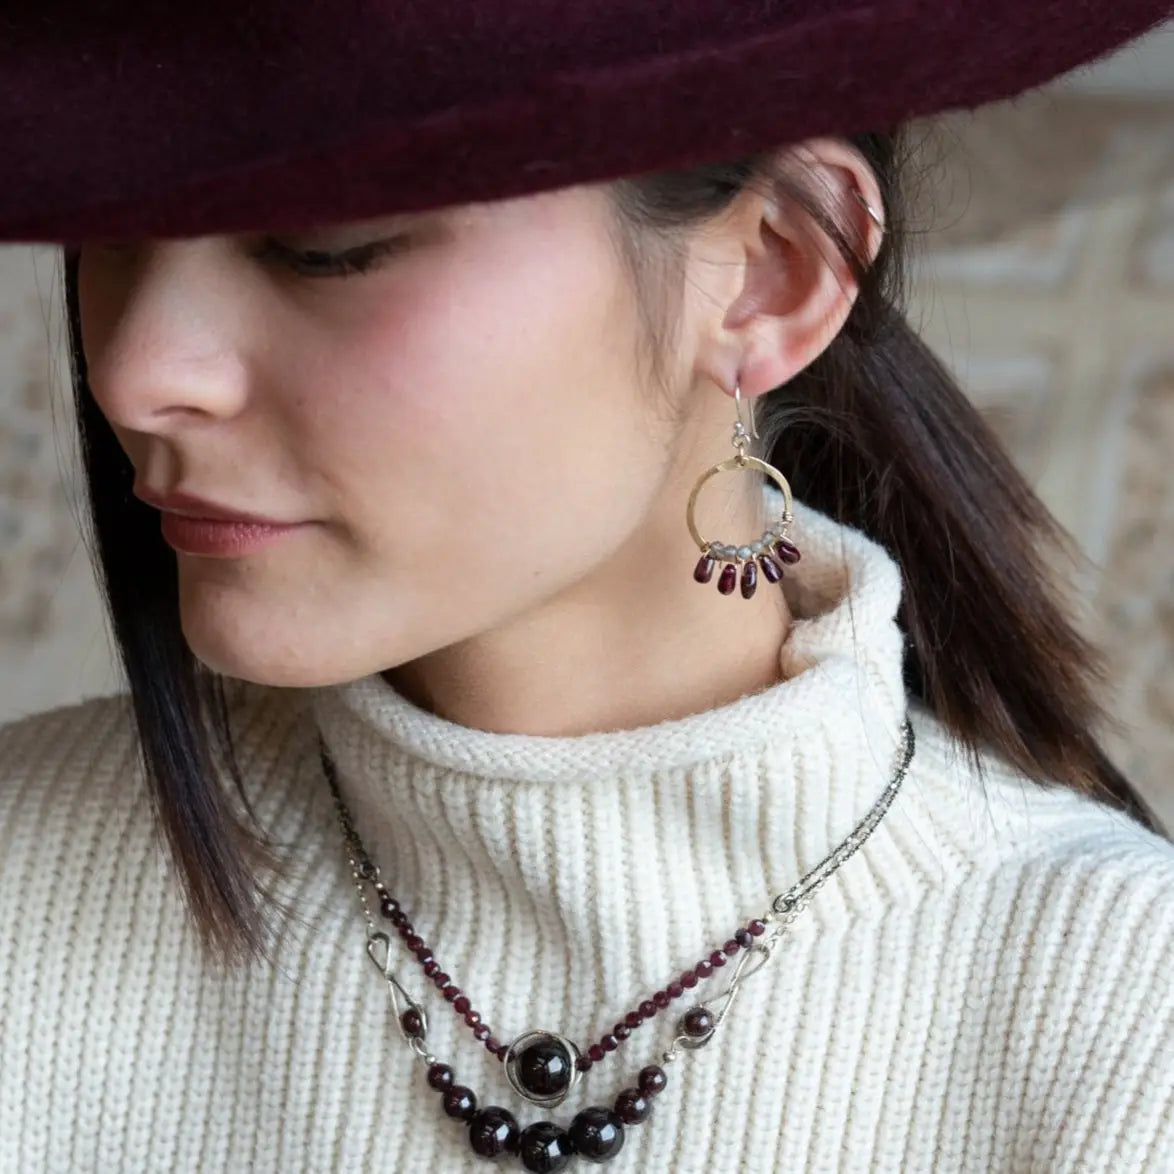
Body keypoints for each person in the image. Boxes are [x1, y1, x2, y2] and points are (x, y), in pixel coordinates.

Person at [2, 2, 1174, 1171]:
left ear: (769, 277)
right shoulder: (25, 886)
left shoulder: (1120, 1016)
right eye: (116, 235)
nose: (137, 370)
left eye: (320, 244)